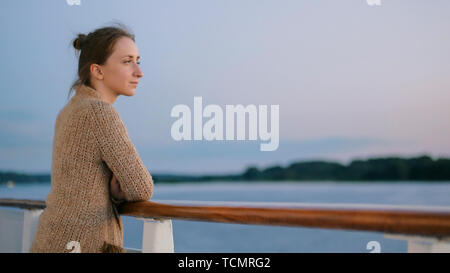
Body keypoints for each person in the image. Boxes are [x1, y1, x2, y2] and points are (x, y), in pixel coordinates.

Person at [30, 24, 153, 253]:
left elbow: (82, 182)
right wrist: (118, 192)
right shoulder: (99, 112)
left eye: (138, 60)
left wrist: (113, 193)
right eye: (127, 61)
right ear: (97, 71)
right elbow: (141, 187)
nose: (139, 71)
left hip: (52, 240)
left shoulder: (69, 110)